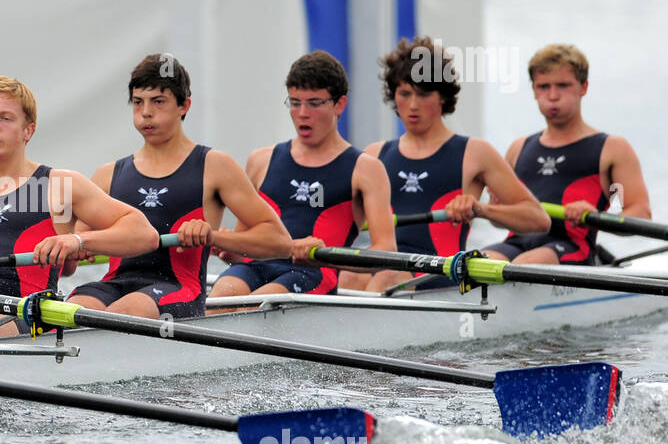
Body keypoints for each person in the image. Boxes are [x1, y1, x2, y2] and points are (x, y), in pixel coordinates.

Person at [0, 76, 158, 339]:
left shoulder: (62, 185)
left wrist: (76, 240)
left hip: (30, 306)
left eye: (5, 118)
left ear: (28, 130)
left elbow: (144, 234)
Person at [66, 53, 291, 319]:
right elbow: (77, 242)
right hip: (116, 283)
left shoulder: (215, 166)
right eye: (138, 103)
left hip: (180, 287)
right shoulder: (107, 175)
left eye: (158, 102)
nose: (146, 112)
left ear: (184, 105)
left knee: (124, 313)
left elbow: (280, 243)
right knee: (73, 311)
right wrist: (77, 244)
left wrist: (213, 236)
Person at [341, 37, 549, 291]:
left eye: (424, 94)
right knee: (346, 276)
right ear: (394, 96)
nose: (413, 105)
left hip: (441, 272)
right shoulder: (374, 155)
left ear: (442, 98)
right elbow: (340, 221)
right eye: (405, 94)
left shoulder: (474, 153)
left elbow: (539, 220)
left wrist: (480, 209)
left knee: (388, 277)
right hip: (389, 267)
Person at [210, 51, 393, 298]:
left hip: (314, 273)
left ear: (340, 104)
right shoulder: (260, 160)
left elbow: (386, 251)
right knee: (219, 299)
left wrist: (327, 252)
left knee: (257, 304)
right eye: (295, 103)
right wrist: (230, 249)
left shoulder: (366, 169)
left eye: (314, 103)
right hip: (254, 267)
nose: (303, 113)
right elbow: (247, 241)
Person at [483, 44, 652, 265]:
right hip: (517, 242)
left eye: (563, 85)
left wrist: (597, 218)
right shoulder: (518, 148)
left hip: (574, 247)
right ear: (534, 90)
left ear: (583, 87)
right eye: (544, 86)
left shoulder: (613, 149)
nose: (553, 96)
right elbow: (499, 223)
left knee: (526, 265)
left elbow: (640, 213)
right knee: (477, 262)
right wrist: (494, 209)